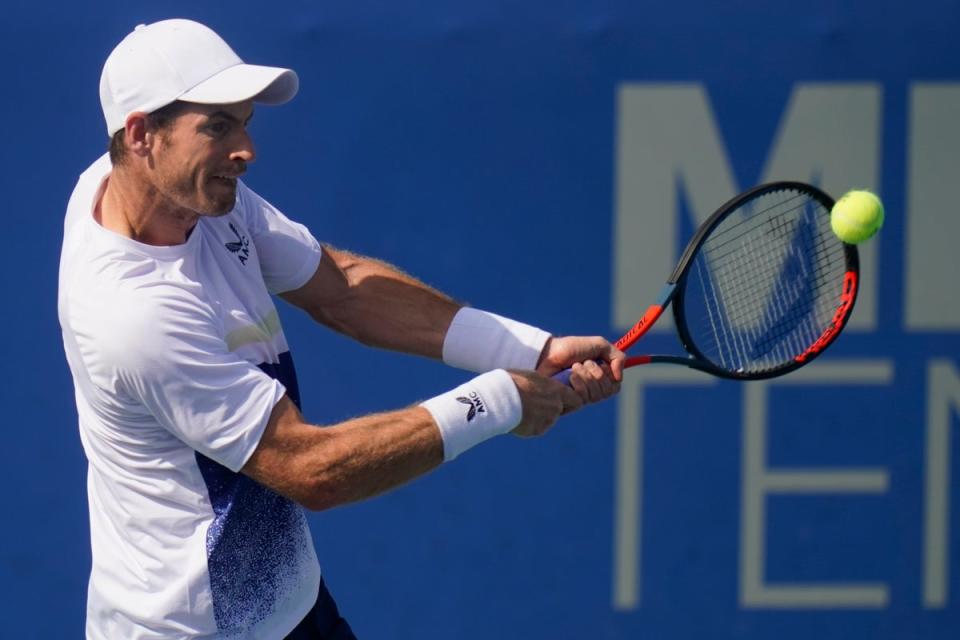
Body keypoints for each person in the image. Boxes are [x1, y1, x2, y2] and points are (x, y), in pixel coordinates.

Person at [58, 19, 624, 640]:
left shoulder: (175, 191)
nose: (247, 149)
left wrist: (527, 349)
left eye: (245, 122)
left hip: (293, 611)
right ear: (141, 135)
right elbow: (313, 469)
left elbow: (343, 289)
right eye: (218, 126)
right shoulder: (134, 315)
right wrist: (499, 400)